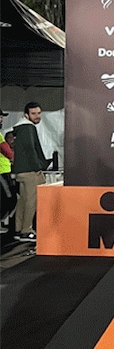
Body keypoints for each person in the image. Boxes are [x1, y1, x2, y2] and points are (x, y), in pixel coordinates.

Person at [11, 102, 50, 243]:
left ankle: (19, 229)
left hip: (22, 170)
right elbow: (30, 149)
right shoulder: (27, 128)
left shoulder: (22, 127)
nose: (37, 116)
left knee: (23, 201)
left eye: (39, 113)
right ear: (26, 115)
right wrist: (38, 166)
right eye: (34, 113)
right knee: (30, 202)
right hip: (30, 171)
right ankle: (26, 231)